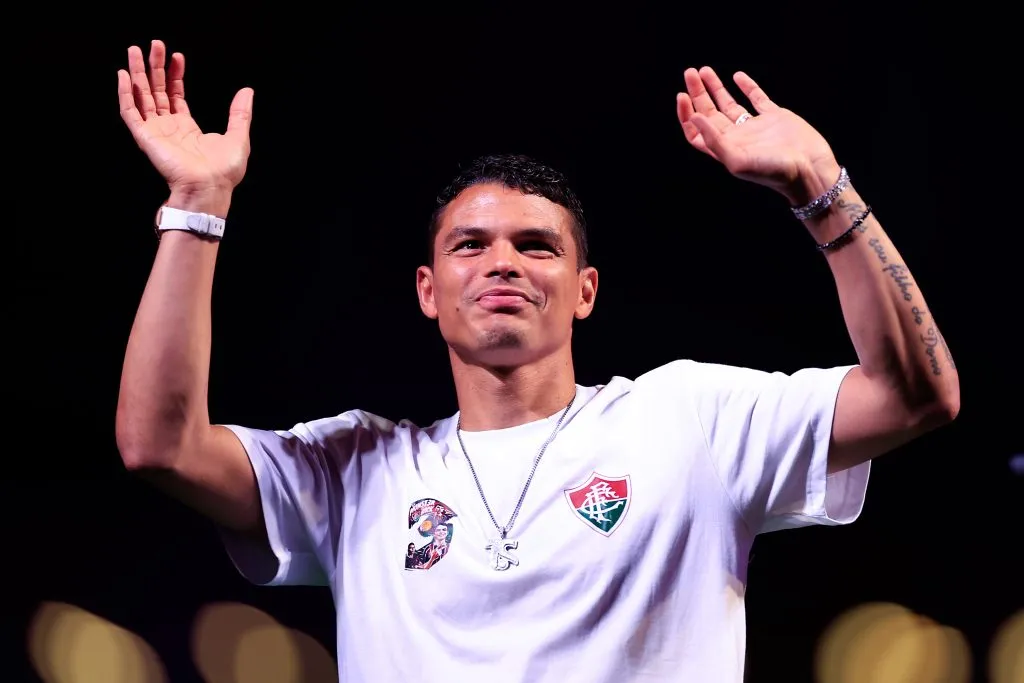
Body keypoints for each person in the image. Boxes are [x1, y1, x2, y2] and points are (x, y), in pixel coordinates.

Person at [114, 39, 960, 682]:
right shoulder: (356, 469)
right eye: (470, 246)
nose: (503, 263)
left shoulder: (690, 420)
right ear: (427, 289)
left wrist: (822, 184)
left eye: (537, 246)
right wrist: (196, 207)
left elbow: (913, 395)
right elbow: (159, 444)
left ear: (585, 290)